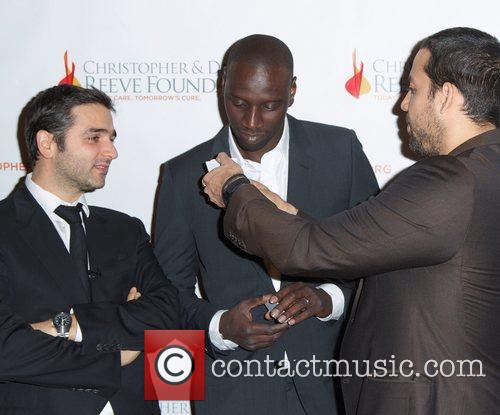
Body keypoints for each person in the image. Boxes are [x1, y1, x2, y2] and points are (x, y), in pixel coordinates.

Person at [203, 27, 500, 415]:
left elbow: (304, 250)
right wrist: (286, 212)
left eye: (413, 89)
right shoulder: (483, 170)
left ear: (446, 96)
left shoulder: (451, 180)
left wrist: (235, 188)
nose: (403, 106)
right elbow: (366, 244)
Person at [154, 34, 378, 414]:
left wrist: (328, 298)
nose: (251, 122)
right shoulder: (181, 175)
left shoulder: (341, 152)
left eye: (270, 106)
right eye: (238, 103)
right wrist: (221, 327)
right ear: (221, 84)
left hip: (334, 388)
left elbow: (379, 260)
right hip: (232, 394)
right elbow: (163, 295)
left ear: (292, 92)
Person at [0, 84, 182, 414]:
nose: (111, 151)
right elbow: (6, 349)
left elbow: (168, 312)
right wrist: (117, 352)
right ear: (47, 143)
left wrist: (67, 326)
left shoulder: (127, 229)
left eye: (111, 138)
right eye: (94, 137)